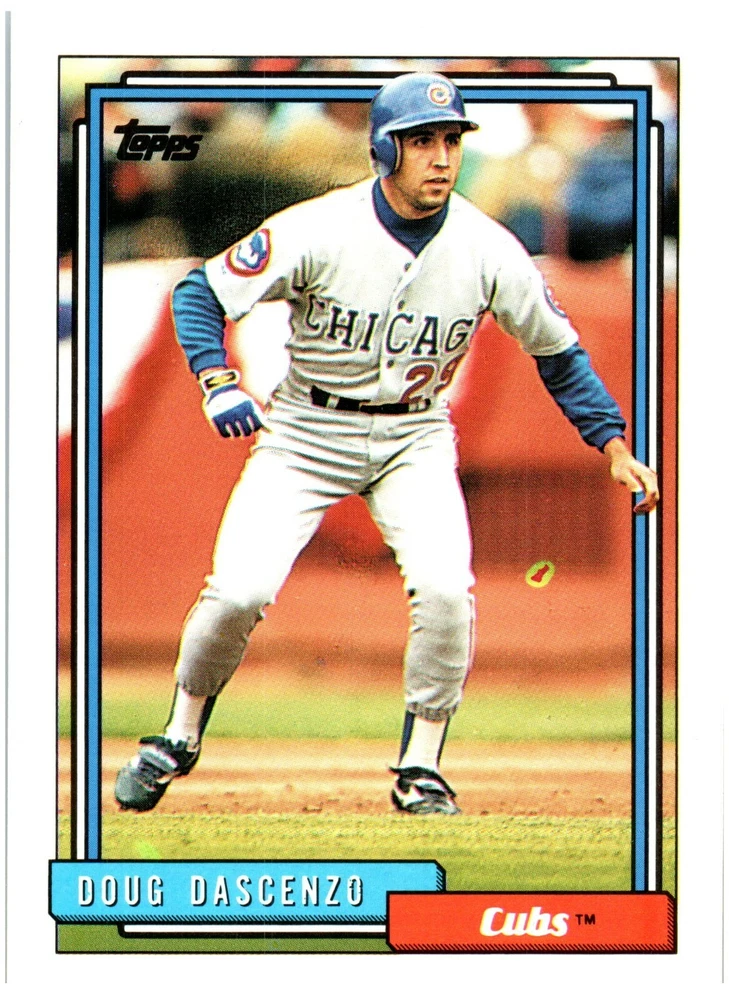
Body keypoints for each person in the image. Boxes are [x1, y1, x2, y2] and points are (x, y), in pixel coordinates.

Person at [114, 73, 659, 817]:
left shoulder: (487, 247)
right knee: (238, 590)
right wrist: (216, 379)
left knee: (445, 591)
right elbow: (200, 293)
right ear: (383, 150)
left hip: (414, 433)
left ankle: (421, 767)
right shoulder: (320, 227)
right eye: (420, 141)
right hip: (306, 430)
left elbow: (558, 353)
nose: (440, 157)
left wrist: (613, 442)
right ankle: (178, 735)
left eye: (450, 140)